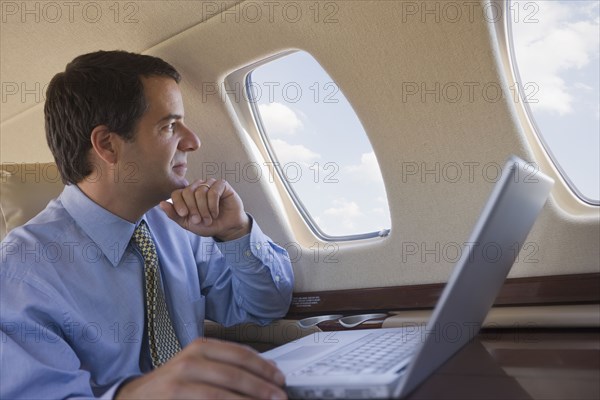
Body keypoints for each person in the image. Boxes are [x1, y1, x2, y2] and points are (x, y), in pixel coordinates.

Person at [0, 50, 294, 399]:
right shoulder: (20, 273)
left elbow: (266, 306)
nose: (193, 141)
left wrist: (235, 233)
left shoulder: (174, 226)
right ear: (107, 145)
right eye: (170, 126)